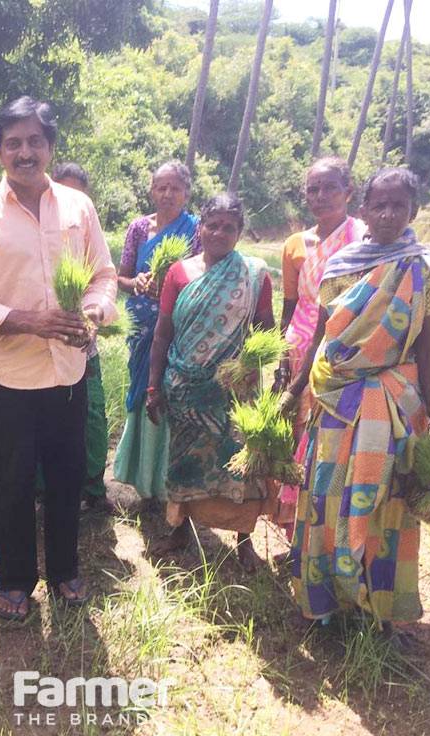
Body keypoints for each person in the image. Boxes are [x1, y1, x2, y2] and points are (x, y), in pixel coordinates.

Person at [0, 97, 118, 621]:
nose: (25, 152)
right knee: (14, 481)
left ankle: (66, 571)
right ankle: (16, 580)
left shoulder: (78, 207)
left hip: (69, 370)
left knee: (68, 475)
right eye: (13, 143)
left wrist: (91, 313)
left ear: (50, 146)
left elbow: (104, 276)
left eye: (35, 141)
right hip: (11, 376)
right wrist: (32, 320)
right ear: (0, 151)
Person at [281, 167, 430, 641]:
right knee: (324, 496)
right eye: (380, 205)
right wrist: (293, 392)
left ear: (413, 210)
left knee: (386, 505)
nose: (389, 214)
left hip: (393, 404)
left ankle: (380, 612)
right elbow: (319, 337)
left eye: (399, 205)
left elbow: (429, 347)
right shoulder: (341, 267)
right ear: (364, 210)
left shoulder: (424, 270)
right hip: (334, 399)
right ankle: (323, 602)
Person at [145, 193, 274, 570]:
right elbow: (162, 333)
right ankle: (180, 529)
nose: (219, 232)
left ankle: (244, 540)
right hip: (186, 384)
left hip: (235, 388)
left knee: (238, 463)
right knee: (184, 459)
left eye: (228, 227)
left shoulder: (253, 273)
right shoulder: (179, 273)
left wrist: (254, 363)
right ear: (200, 227)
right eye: (212, 225)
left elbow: (266, 329)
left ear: (239, 232)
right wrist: (154, 387)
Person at [272, 157, 366, 538]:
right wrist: (281, 356)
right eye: (313, 189)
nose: (321, 196)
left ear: (349, 191)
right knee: (296, 434)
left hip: (342, 347)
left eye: (330, 187)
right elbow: (290, 305)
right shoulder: (296, 244)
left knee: (328, 437)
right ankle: (296, 531)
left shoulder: (362, 240)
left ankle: (325, 530)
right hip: (300, 344)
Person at [113, 161, 200, 507]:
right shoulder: (138, 229)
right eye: (160, 187)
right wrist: (136, 283)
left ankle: (168, 484)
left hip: (176, 328)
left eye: (175, 188)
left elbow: (202, 271)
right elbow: (120, 278)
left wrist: (171, 287)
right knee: (142, 394)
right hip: (141, 327)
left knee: (168, 396)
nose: (167, 194)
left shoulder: (194, 229)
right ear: (151, 190)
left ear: (186, 193)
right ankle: (142, 481)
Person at [46, 162, 112, 512]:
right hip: (40, 348)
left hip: (85, 344)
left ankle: (94, 486)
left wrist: (94, 314)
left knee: (93, 414)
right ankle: (46, 490)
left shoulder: (86, 231)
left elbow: (105, 279)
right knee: (47, 420)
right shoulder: (37, 234)